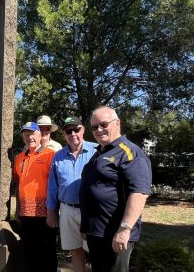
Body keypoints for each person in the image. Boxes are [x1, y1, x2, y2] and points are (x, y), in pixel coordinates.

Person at [79, 106, 152, 271]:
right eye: (94, 127)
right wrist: (86, 226)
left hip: (115, 234)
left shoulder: (130, 153)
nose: (99, 130)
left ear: (117, 123)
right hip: (95, 233)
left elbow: (139, 193)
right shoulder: (98, 153)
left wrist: (125, 229)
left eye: (103, 124)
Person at [46, 116, 97, 272]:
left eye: (76, 129)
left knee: (95, 251)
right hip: (67, 209)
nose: (73, 133)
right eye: (68, 131)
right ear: (64, 134)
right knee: (75, 251)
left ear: (83, 130)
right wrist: (51, 212)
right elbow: (53, 187)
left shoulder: (97, 150)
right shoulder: (58, 156)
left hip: (91, 211)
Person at [13, 122, 57, 272]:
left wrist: (54, 211)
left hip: (45, 213)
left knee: (47, 253)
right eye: (26, 134)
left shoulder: (50, 154)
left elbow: (56, 184)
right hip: (25, 214)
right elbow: (18, 184)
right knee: (30, 252)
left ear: (39, 135)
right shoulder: (19, 158)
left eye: (32, 133)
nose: (29, 137)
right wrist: (18, 209)